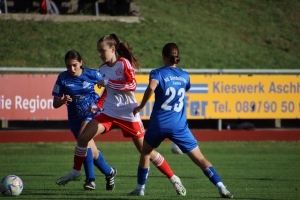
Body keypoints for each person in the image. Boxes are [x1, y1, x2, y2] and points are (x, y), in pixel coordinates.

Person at [56, 34, 186, 196]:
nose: (100, 54)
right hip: (109, 112)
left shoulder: (124, 63)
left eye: (102, 50)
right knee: (83, 138)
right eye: (98, 51)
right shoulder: (102, 68)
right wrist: (97, 105)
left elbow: (132, 85)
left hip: (128, 113)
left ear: (112, 49)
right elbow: (106, 92)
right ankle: (76, 172)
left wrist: (108, 83)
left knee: (145, 151)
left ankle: (174, 178)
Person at [129, 43, 234, 198]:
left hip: (159, 124)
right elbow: (184, 88)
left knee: (145, 152)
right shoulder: (184, 75)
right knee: (200, 158)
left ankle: (140, 189)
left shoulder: (157, 72)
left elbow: (151, 87)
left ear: (163, 57)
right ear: (177, 57)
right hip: (179, 125)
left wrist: (141, 106)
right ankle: (221, 187)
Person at [52, 50, 117, 190]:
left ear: (81, 63)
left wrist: (98, 104)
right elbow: (55, 103)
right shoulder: (62, 78)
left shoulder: (93, 74)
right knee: (91, 152)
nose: (72, 69)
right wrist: (63, 100)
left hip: (92, 113)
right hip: (74, 118)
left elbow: (109, 87)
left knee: (83, 139)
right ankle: (110, 172)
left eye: (74, 65)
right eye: (68, 66)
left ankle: (90, 179)